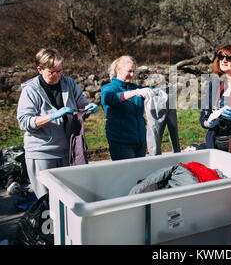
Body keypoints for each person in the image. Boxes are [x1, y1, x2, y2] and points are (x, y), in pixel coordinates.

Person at [17, 48, 98, 198]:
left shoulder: (69, 83)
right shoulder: (30, 90)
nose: (57, 76)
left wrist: (88, 108)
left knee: (68, 197)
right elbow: (24, 122)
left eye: (59, 71)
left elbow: (81, 105)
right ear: (40, 69)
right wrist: (53, 116)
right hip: (42, 153)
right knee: (46, 199)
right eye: (52, 72)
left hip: (68, 150)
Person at [101, 55, 153, 160]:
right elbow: (111, 99)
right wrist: (135, 93)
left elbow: (153, 90)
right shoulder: (108, 88)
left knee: (139, 174)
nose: (132, 74)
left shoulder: (136, 87)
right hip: (121, 142)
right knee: (126, 174)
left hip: (140, 141)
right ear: (118, 70)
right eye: (129, 71)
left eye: (133, 71)